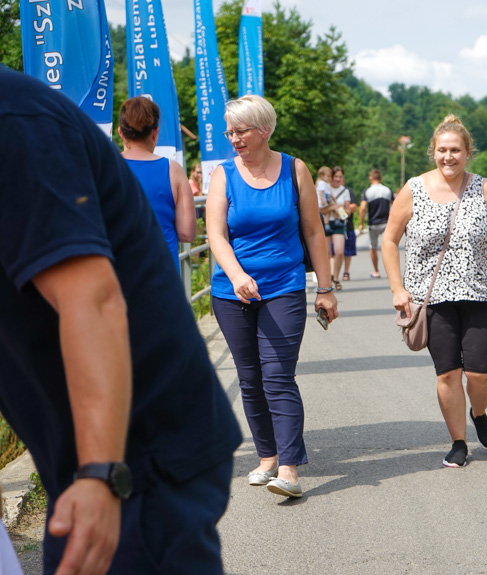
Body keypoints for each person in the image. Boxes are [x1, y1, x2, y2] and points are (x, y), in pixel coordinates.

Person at [0, 66, 241, 575]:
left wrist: (101, 474)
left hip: (137, 450)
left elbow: (94, 299)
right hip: (89, 446)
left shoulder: (14, 119)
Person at [207, 94, 338, 499]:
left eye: (240, 130)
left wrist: (326, 288)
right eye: (229, 131)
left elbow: (314, 232)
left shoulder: (294, 169)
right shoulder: (222, 175)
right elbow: (215, 235)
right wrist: (237, 275)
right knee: (249, 379)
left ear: (264, 129)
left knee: (278, 376)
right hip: (232, 292)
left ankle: (288, 468)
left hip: (283, 287)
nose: (234, 139)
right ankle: (265, 457)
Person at [382, 114, 487, 468]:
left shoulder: (484, 188)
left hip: (478, 294)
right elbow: (389, 239)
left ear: (468, 153)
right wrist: (397, 289)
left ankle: (478, 412)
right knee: (447, 372)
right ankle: (458, 441)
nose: (449, 157)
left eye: (456, 151)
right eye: (442, 150)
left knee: (480, 373)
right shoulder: (413, 189)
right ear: (433, 151)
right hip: (431, 299)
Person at [118, 97, 196, 273]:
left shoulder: (104, 167)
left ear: (121, 133)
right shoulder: (173, 170)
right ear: (155, 133)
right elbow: (187, 233)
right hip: (161, 276)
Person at [358, 169, 394, 278]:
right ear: (380, 178)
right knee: (388, 247)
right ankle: (391, 272)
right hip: (386, 223)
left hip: (373, 223)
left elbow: (363, 208)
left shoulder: (367, 191)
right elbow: (396, 206)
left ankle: (376, 271)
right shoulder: (387, 190)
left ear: (370, 178)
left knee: (373, 247)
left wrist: (361, 223)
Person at [329, 166, 354, 289]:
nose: (338, 179)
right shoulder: (325, 189)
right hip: (326, 222)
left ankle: (335, 276)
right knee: (326, 252)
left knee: (339, 251)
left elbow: (348, 210)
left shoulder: (345, 191)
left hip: (339, 222)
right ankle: (327, 277)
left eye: (340, 177)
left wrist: (342, 210)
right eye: (336, 176)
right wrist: (332, 208)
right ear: (331, 177)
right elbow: (318, 207)